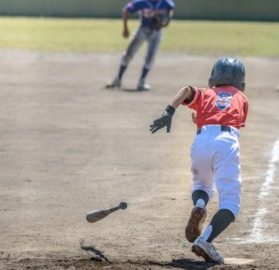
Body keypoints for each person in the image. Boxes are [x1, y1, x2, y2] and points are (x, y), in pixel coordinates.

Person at [149, 57, 249, 264]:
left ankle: (201, 204)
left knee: (202, 185)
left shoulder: (205, 93)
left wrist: (169, 111)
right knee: (230, 203)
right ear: (240, 80)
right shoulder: (241, 97)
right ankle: (205, 240)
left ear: (214, 76)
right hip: (226, 141)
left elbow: (186, 89)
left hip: (201, 141)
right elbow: (229, 117)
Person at [106, 0, 175, 91]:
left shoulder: (165, 2)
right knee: (128, 55)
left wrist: (168, 18)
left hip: (157, 32)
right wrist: (125, 28)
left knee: (150, 58)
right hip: (142, 30)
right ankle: (117, 79)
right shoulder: (143, 2)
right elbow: (125, 10)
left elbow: (171, 8)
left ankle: (141, 81)